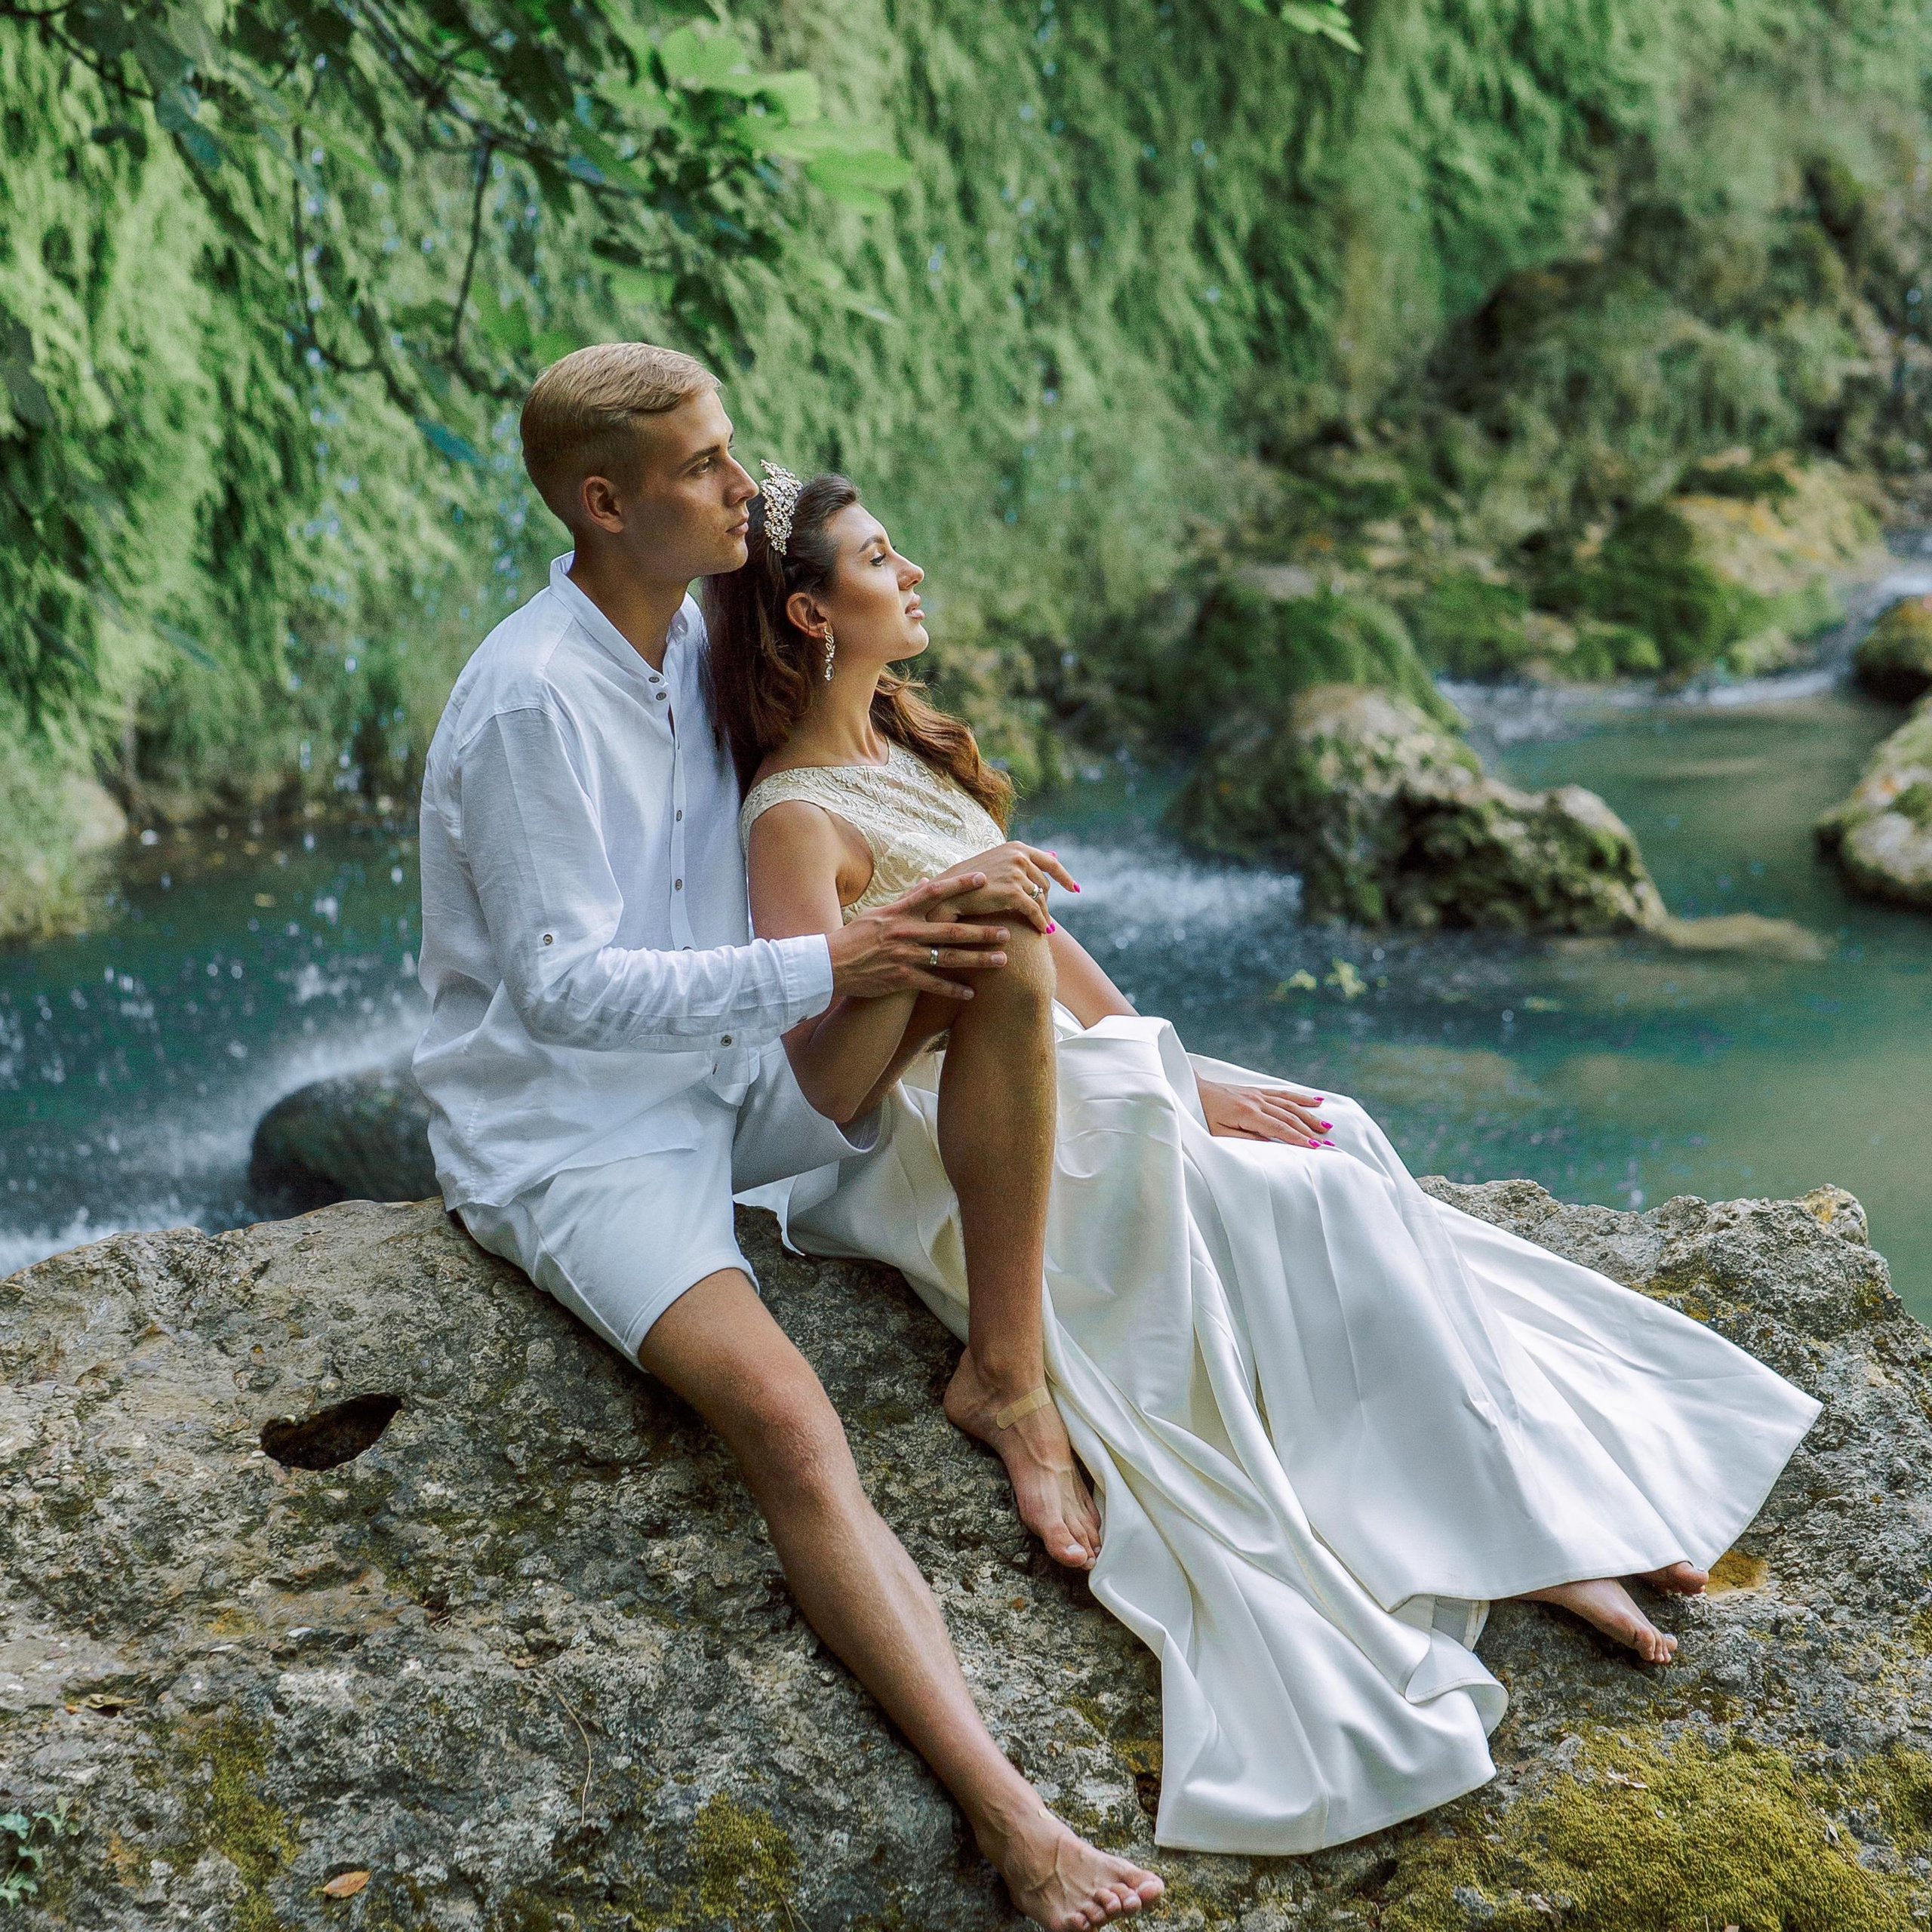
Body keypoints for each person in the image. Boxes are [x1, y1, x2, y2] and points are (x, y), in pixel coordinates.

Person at [712, 463, 1826, 1855]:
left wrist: (1188, 1078)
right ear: (811, 613)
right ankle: (1509, 1537)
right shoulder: (795, 815)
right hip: (937, 1133)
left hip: (1053, 1068)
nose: (914, 572)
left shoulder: (912, 749)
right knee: (1263, 1203)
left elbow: (1061, 962)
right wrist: (932, 947)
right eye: (882, 560)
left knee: (1327, 1134)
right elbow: (819, 1082)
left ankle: (1510, 1502)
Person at [414, 343, 1164, 1930]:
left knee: (992, 939)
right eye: (704, 466)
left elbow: (832, 707)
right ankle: (1019, 1825)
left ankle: (1005, 1373)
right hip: (577, 1141)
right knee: (791, 1419)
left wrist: (926, 887)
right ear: (604, 502)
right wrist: (837, 958)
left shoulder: (687, 631)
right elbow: (557, 993)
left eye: (732, 450)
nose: (742, 485)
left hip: (731, 1078)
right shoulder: (531, 698)